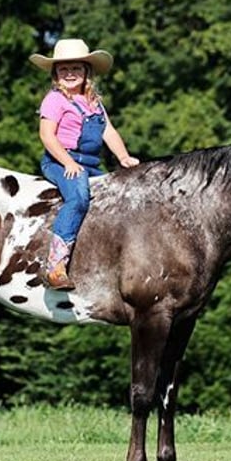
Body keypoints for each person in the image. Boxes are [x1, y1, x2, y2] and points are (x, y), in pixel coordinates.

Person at [29, 38, 140, 290]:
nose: (70, 74)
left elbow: (108, 132)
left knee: (111, 198)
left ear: (86, 71)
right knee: (79, 196)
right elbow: (47, 136)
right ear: (56, 73)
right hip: (60, 160)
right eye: (63, 69)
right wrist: (67, 162)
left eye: (76, 68)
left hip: (90, 163)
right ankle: (55, 266)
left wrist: (123, 157)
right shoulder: (54, 100)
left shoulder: (94, 103)